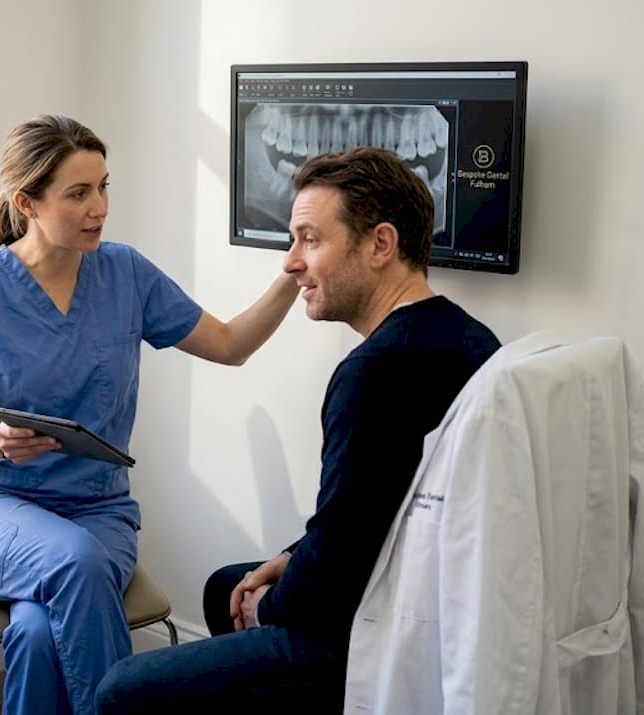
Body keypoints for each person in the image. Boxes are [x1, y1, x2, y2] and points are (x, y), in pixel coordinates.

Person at [94, 146, 502, 713]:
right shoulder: (469, 337)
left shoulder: (373, 375)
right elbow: (369, 516)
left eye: (310, 239)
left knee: (119, 691)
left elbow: (331, 580)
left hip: (368, 633)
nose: (291, 263)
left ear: (380, 244)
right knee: (223, 586)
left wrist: (269, 605)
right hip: (417, 588)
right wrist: (290, 557)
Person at [0, 114, 299, 715]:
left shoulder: (126, 273)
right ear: (27, 202)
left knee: (34, 632)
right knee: (71, 562)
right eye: (78, 193)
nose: (98, 206)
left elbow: (230, 345)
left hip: (96, 510)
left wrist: (291, 270)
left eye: (103, 187)